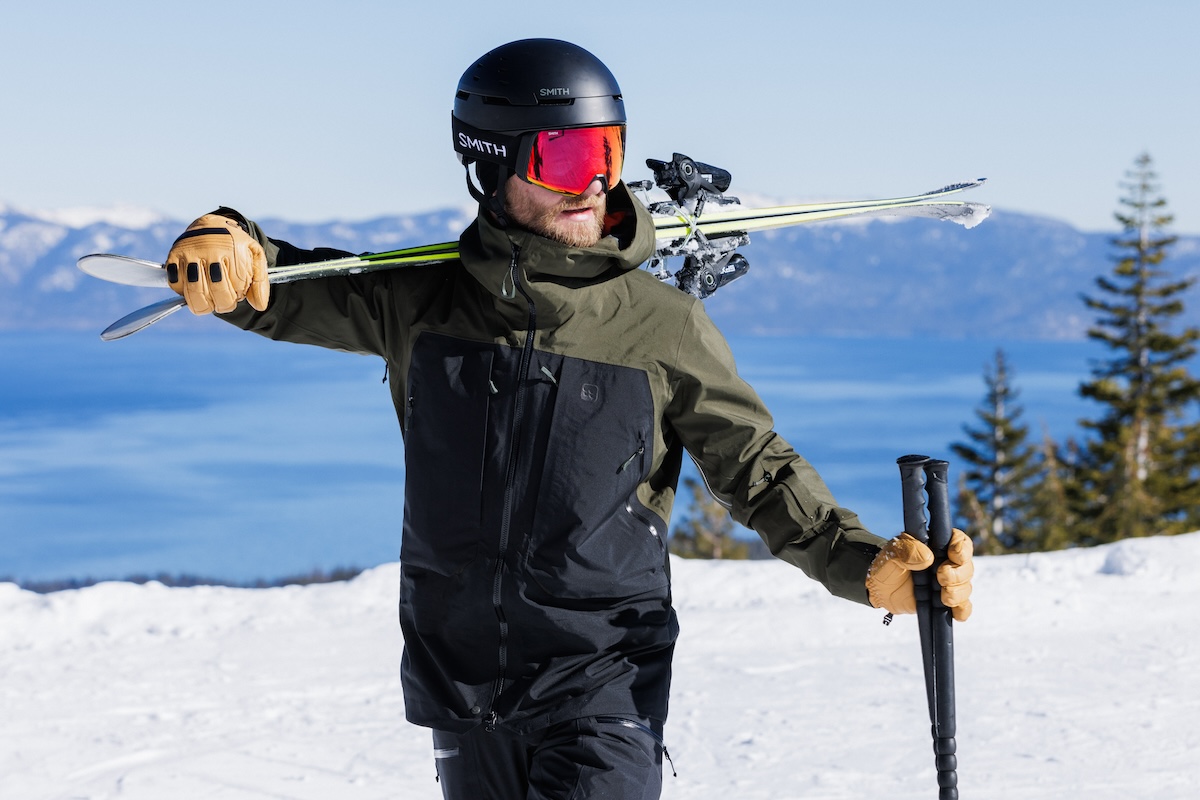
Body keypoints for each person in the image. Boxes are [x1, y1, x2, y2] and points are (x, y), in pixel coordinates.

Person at [163, 38, 974, 800]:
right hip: (461, 683)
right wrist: (230, 246)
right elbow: (281, 287)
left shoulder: (662, 325)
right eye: (570, 156)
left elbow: (758, 470)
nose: (595, 182)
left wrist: (865, 564)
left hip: (602, 680)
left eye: (609, 152)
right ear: (492, 160)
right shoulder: (421, 306)